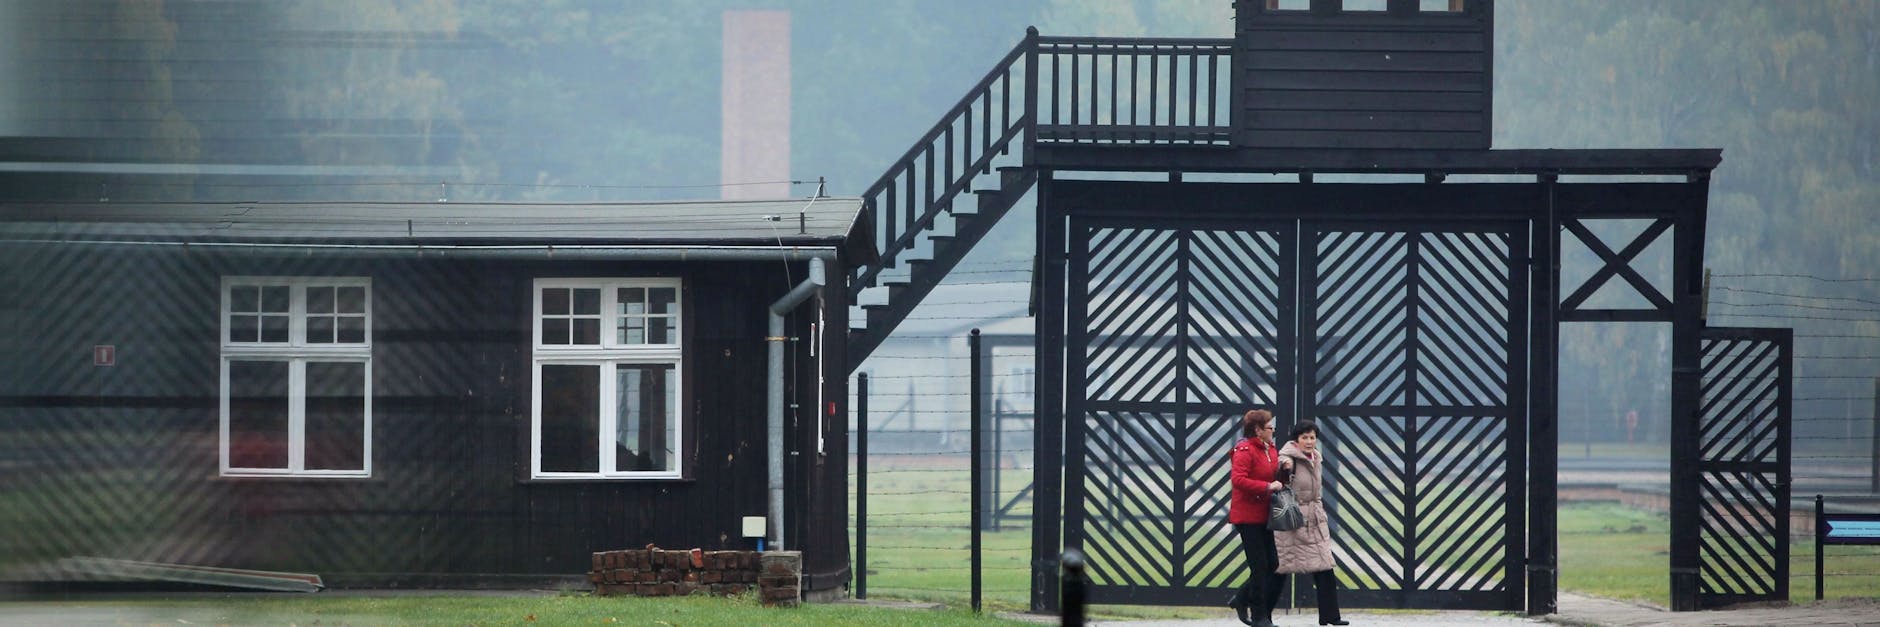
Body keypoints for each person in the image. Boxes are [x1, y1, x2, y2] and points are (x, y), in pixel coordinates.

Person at [1276, 420, 1347, 626]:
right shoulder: (1289, 457)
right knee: (1279, 568)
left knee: (1325, 568)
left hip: (1314, 521)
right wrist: (1285, 466)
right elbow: (1281, 463)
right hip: (1293, 521)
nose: (1309, 441)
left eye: (1312, 437)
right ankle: (1248, 603)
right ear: (1296, 440)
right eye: (1304, 437)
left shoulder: (1315, 457)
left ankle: (1331, 617)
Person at [1228, 409, 1286, 627]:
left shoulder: (1270, 449)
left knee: (1273, 563)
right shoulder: (1245, 450)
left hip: (1265, 515)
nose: (1273, 430)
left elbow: (1274, 476)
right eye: (1269, 427)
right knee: (1259, 566)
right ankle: (1259, 615)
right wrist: (1266, 487)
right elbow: (1238, 480)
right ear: (1258, 430)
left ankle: (1241, 598)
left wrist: (1284, 471)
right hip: (1247, 517)